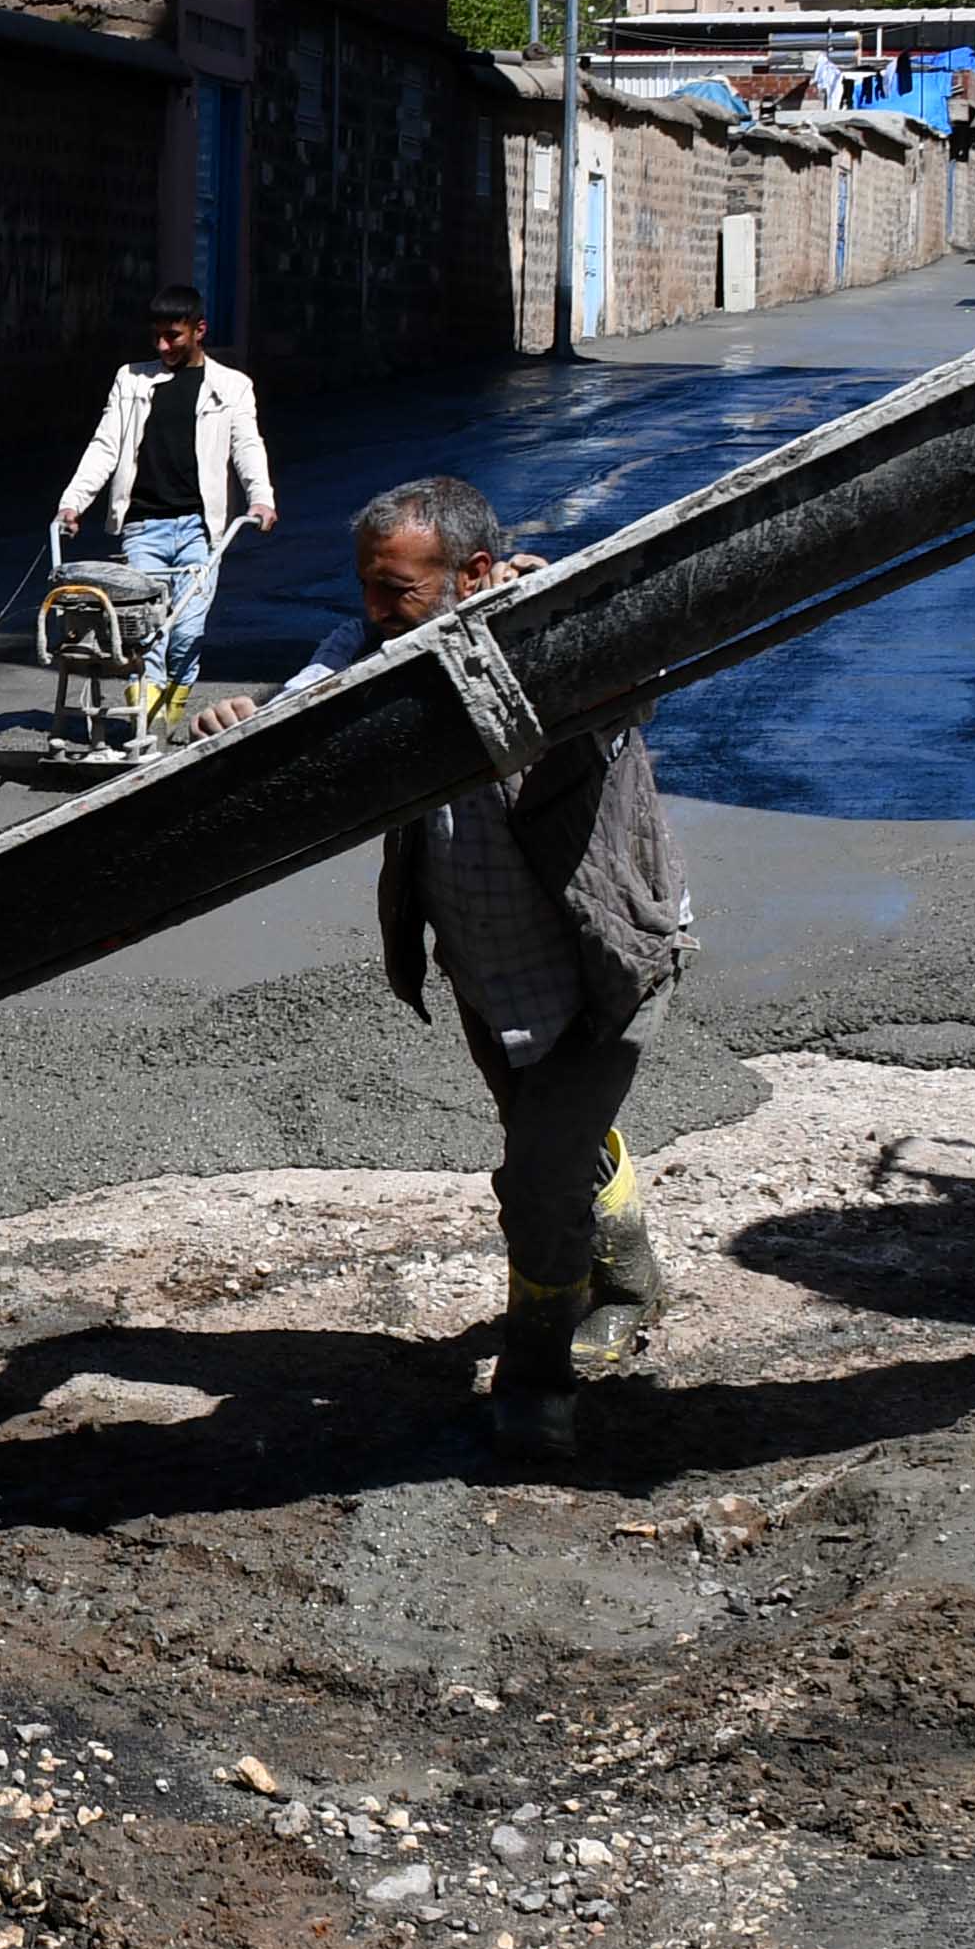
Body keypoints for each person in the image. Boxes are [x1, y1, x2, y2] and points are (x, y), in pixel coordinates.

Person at [255, 473, 691, 1458]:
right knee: (556, 1145)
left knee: (534, 1181)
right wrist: (236, 730)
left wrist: (569, 604)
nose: (372, 611)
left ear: (474, 574)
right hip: (491, 975)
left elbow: (645, 669)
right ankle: (630, 1278)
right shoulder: (374, 646)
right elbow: (299, 715)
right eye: (367, 587)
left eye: (395, 591)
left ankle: (537, 1382)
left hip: (602, 970)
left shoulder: (550, 650)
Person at [47, 285, 273, 734]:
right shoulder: (131, 380)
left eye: (173, 336)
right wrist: (72, 503)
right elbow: (106, 445)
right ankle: (146, 730)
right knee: (146, 631)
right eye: (157, 337)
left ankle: (170, 705)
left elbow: (247, 444)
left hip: (199, 529)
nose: (163, 346)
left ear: (199, 330)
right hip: (143, 526)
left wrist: (260, 496)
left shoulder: (231, 386)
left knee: (186, 633)